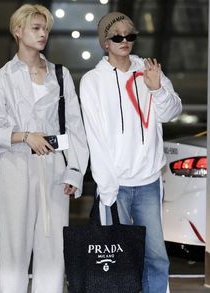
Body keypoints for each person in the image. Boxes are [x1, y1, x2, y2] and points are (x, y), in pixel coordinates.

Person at [0, 4, 88, 293]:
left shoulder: (60, 76)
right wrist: (25, 136)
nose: (43, 35)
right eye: (36, 28)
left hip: (54, 166)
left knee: (52, 250)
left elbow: (75, 128)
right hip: (15, 166)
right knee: (13, 250)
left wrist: (75, 172)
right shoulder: (0, 81)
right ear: (18, 31)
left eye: (46, 29)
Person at [80, 12, 182, 293]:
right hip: (116, 186)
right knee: (118, 260)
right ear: (105, 42)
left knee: (157, 258)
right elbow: (95, 138)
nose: (125, 41)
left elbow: (172, 111)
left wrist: (157, 87)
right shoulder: (92, 81)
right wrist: (107, 187)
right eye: (117, 36)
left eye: (130, 35)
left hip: (148, 181)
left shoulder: (149, 70)